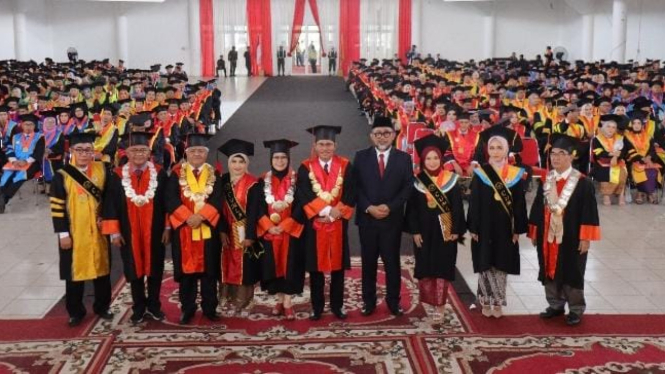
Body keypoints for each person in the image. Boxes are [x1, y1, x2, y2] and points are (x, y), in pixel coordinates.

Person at [528, 134, 601, 326]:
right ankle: (555, 305)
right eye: (553, 154)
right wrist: (535, 231)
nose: (556, 158)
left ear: (571, 156)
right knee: (549, 269)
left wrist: (585, 238)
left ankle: (576, 309)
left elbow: (589, 213)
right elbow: (537, 207)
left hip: (571, 236)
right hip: (547, 236)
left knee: (572, 270)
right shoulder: (547, 180)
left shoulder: (582, 183)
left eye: (561, 154)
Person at [101, 132, 170, 324]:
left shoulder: (160, 173)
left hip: (155, 230)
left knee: (155, 267)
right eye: (135, 150)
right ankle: (139, 308)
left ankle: (154, 306)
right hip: (128, 231)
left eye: (143, 150)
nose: (139, 154)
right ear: (127, 153)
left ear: (149, 153)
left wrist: (167, 227)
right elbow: (110, 205)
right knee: (133, 268)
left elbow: (167, 202)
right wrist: (114, 231)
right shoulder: (116, 176)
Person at [49, 132, 113, 327]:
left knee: (102, 271)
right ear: (72, 151)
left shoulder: (103, 170)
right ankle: (75, 311)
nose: (84, 154)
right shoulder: (62, 176)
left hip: (98, 231)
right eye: (80, 150)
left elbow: (110, 199)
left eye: (88, 150)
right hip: (74, 233)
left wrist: (108, 219)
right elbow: (57, 207)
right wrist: (63, 234)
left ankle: (102, 307)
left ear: (93, 151)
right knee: (74, 274)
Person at [353, 116, 413, 317]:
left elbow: (407, 188)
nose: (382, 137)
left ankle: (393, 302)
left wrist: (390, 206)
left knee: (392, 262)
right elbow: (356, 188)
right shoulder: (360, 156)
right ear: (371, 136)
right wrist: (369, 207)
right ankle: (368, 302)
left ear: (393, 134)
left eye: (386, 133)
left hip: (391, 220)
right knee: (368, 263)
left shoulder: (404, 158)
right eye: (378, 133)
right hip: (367, 220)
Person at [467, 128, 528, 318]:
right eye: (491, 148)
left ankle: (498, 302)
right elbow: (474, 202)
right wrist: (473, 227)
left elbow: (519, 203)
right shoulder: (481, 173)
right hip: (484, 226)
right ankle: (485, 300)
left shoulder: (515, 174)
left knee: (501, 264)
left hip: (505, 226)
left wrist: (518, 228)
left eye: (499, 147)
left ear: (506, 150)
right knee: (485, 264)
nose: (495, 151)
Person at [297, 125, 355, 320]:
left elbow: (350, 192)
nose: (325, 148)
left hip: (338, 223)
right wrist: (327, 210)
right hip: (316, 224)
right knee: (316, 269)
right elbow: (304, 194)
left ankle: (338, 306)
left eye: (329, 144)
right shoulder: (305, 167)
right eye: (321, 144)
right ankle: (317, 307)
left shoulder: (346, 165)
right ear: (315, 145)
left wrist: (335, 214)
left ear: (335, 145)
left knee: (338, 267)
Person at [406, 134, 466, 321]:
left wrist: (455, 230)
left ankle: (440, 306)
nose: (432, 162)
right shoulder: (417, 182)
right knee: (425, 267)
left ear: (441, 159)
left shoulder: (451, 180)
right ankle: (430, 302)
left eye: (436, 158)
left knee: (442, 267)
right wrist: (414, 231)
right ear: (423, 160)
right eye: (428, 158)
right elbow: (412, 210)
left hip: (445, 227)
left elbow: (457, 207)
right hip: (424, 230)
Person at [166, 133, 223, 324]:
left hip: (207, 229)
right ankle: (187, 308)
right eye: (193, 151)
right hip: (184, 230)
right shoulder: (175, 173)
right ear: (187, 153)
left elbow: (217, 199)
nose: (197, 154)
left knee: (209, 271)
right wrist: (188, 217)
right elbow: (170, 199)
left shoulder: (215, 174)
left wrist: (201, 216)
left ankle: (210, 308)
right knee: (186, 273)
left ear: (206, 154)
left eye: (201, 151)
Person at [257, 139, 305, 321]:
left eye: (283, 157)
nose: (280, 161)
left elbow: (302, 205)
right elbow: (258, 207)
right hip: (270, 233)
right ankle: (278, 300)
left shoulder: (297, 180)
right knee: (272, 266)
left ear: (288, 158)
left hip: (291, 232)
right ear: (271, 159)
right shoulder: (262, 180)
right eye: (276, 157)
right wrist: (269, 226)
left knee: (291, 266)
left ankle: (288, 302)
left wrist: (285, 225)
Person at [218, 139, 262, 317]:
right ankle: (226, 298)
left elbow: (254, 213)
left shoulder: (254, 184)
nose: (237, 165)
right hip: (226, 231)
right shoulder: (222, 181)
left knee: (245, 267)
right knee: (225, 263)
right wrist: (221, 230)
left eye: (241, 161)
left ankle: (244, 301)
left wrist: (251, 235)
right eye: (234, 161)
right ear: (229, 163)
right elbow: (216, 207)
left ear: (247, 163)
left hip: (245, 231)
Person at [0, 114, 45, 213]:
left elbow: (38, 153)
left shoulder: (39, 137)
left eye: (31, 124)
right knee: (6, 176)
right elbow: (9, 149)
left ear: (35, 126)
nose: (28, 127)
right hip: (15, 162)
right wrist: (13, 160)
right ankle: (1, 195)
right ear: (22, 125)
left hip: (32, 163)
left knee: (19, 177)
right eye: (26, 124)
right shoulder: (15, 137)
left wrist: (25, 161)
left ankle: (4, 199)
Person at [591, 114, 638, 206]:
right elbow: (598, 152)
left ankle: (621, 195)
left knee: (622, 171)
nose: (610, 129)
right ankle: (606, 195)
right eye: (608, 126)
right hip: (603, 162)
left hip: (618, 161)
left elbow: (628, 149)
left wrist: (616, 157)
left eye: (613, 127)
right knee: (604, 171)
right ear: (603, 127)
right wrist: (610, 154)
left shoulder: (621, 138)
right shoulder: (597, 139)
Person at [625, 113, 662, 204]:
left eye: (639, 123)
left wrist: (649, 158)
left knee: (653, 171)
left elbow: (652, 150)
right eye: (634, 123)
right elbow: (630, 151)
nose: (637, 125)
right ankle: (643, 193)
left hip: (648, 161)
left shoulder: (648, 136)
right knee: (640, 171)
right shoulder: (627, 137)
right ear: (631, 125)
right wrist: (643, 159)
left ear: (642, 125)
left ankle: (647, 193)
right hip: (634, 161)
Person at [40, 111, 65, 194]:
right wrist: (42, 151)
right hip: (42, 157)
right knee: (41, 163)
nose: (50, 123)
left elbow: (61, 146)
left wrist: (50, 151)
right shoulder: (40, 133)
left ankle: (52, 187)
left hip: (55, 157)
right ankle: (44, 184)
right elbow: (36, 145)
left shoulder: (59, 133)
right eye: (48, 122)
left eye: (52, 122)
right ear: (44, 122)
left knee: (53, 165)